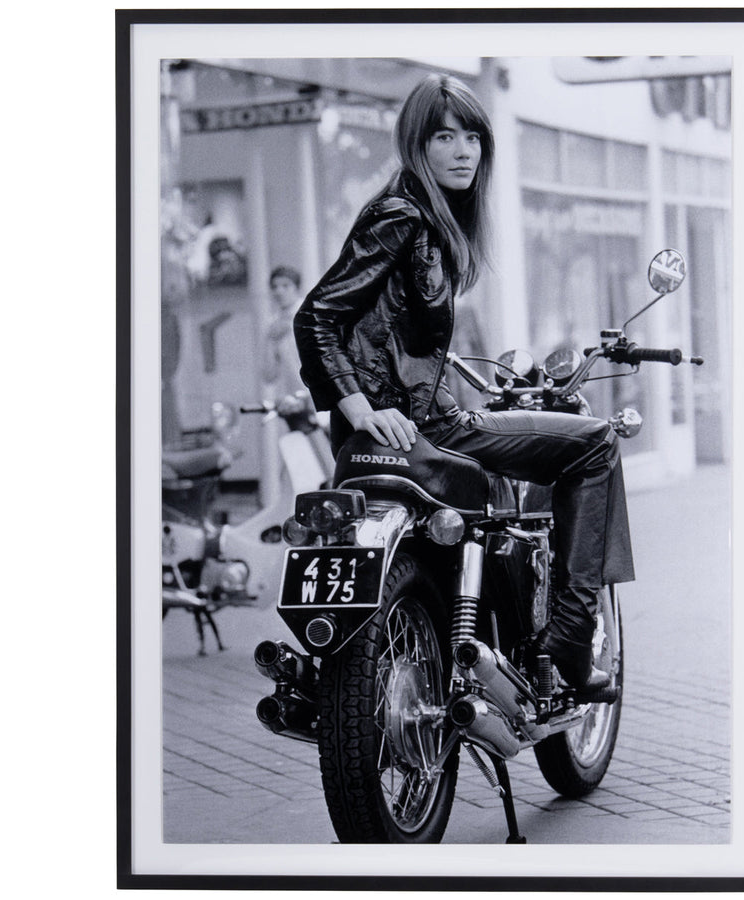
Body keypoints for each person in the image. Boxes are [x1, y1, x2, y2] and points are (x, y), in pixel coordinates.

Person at [295, 74, 634, 696]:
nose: (462, 150)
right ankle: (570, 638)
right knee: (596, 443)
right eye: (444, 136)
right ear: (416, 144)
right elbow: (317, 315)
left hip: (413, 417)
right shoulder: (403, 215)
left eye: (473, 136)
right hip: (426, 426)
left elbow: (393, 336)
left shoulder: (422, 218)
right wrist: (359, 404)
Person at [262, 265, 305, 395]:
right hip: (292, 399)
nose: (279, 291)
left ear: (297, 288)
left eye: (286, 286)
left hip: (321, 397)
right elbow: (269, 375)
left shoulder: (311, 316)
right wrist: (271, 340)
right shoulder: (272, 324)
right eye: (274, 287)